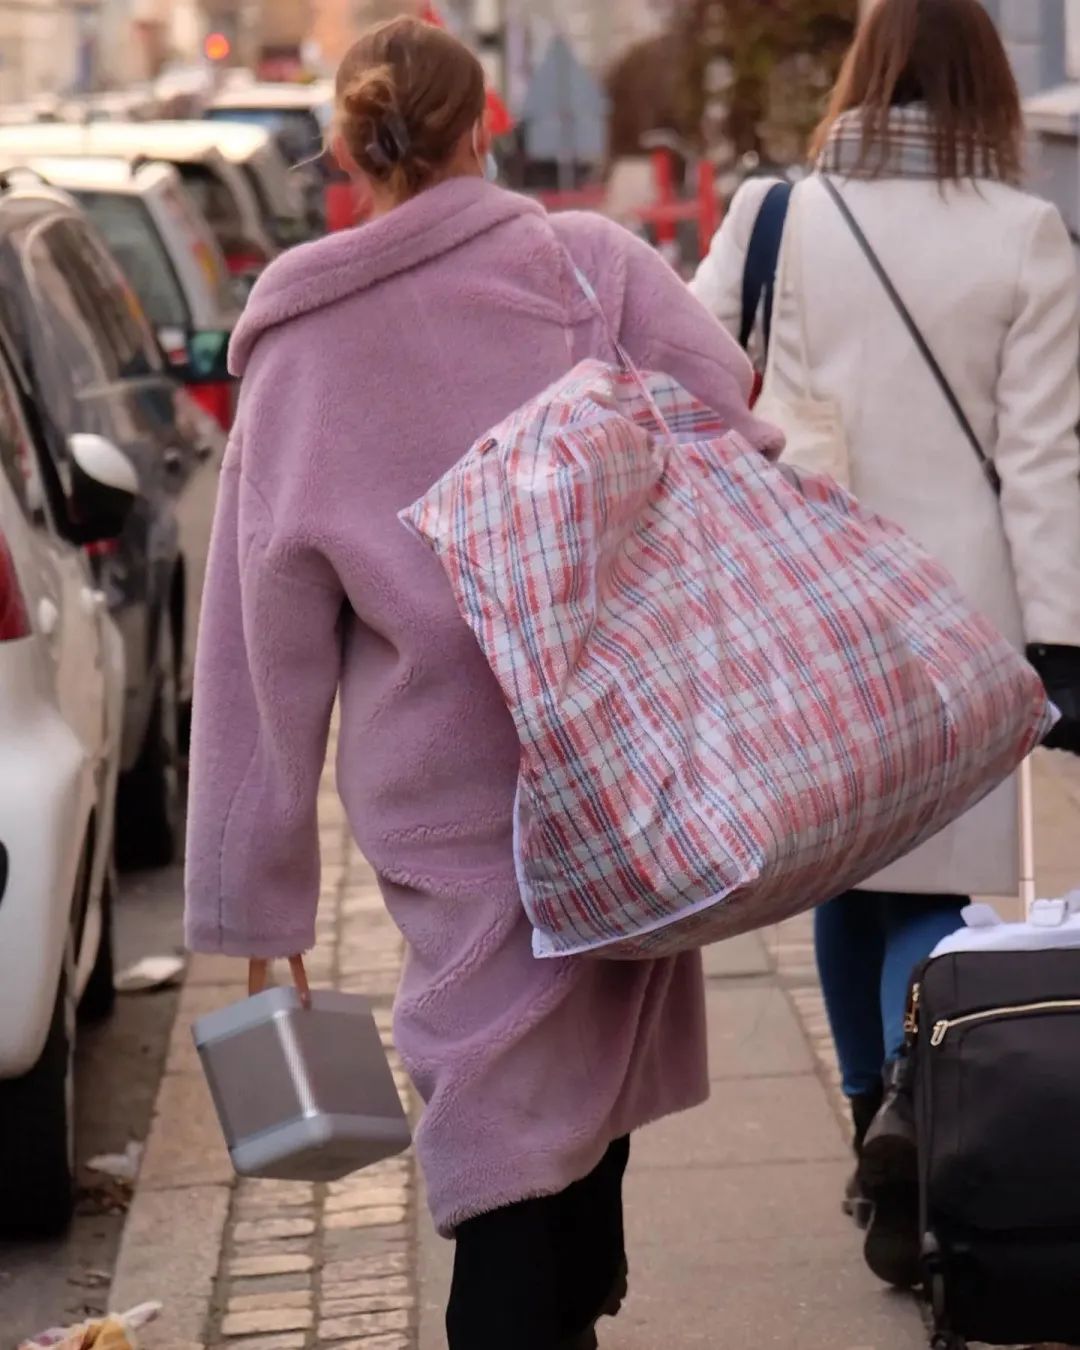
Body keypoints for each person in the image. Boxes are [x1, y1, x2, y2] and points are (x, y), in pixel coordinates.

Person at [183, 17, 780, 1350]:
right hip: (625, 763)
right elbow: (739, 429)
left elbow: (257, 646)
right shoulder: (593, 268)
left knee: (505, 1106)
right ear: (484, 127)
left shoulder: (301, 344)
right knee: (547, 1103)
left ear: (345, 148)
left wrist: (259, 890)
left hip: (444, 798)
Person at [691, 0, 1080, 1291]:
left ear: (861, 74)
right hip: (961, 617)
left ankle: (877, 1117)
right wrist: (1061, 642)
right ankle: (926, 1110)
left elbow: (689, 386)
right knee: (938, 892)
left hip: (811, 605)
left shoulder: (774, 217)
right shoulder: (1027, 237)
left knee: (845, 880)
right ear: (988, 85)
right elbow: (1042, 462)